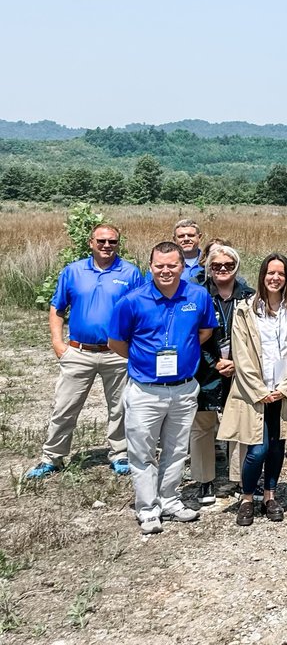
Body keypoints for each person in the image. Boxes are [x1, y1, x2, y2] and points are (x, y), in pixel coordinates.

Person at [108, 241, 217, 534]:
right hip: (145, 390)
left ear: (183, 266)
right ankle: (147, 509)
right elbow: (116, 342)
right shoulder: (132, 301)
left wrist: (186, 352)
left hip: (183, 389)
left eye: (172, 265)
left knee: (177, 449)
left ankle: (169, 499)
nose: (166, 270)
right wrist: (142, 361)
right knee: (142, 452)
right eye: (160, 265)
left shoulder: (198, 295)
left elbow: (205, 330)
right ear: (151, 266)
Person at [26, 224, 143, 480]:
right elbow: (57, 308)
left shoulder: (131, 273)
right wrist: (58, 343)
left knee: (121, 407)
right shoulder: (73, 271)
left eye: (112, 242)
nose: (106, 246)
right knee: (64, 406)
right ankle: (52, 457)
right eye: (101, 241)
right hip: (79, 352)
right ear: (91, 242)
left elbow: (140, 310)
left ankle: (120, 454)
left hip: (117, 352)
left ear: (118, 244)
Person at [219, 255, 287, 527]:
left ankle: (270, 496)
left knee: (278, 446)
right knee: (257, 448)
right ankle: (246, 498)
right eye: (270, 273)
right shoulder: (245, 309)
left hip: (284, 391)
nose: (275, 278)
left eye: (281, 273)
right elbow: (241, 354)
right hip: (254, 393)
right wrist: (260, 390)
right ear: (262, 275)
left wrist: (285, 387)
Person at [189, 242, 252, 505]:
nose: (223, 269)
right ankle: (205, 481)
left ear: (236, 267)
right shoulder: (197, 295)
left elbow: (255, 336)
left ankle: (239, 479)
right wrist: (214, 362)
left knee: (239, 424)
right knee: (202, 426)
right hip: (204, 369)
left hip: (240, 369)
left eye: (228, 265)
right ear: (209, 268)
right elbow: (191, 335)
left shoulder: (249, 296)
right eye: (216, 266)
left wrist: (237, 362)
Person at [173, 219, 205, 283]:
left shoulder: (209, 262)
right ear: (174, 239)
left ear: (199, 237)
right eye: (181, 236)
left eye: (191, 235)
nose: (186, 239)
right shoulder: (165, 264)